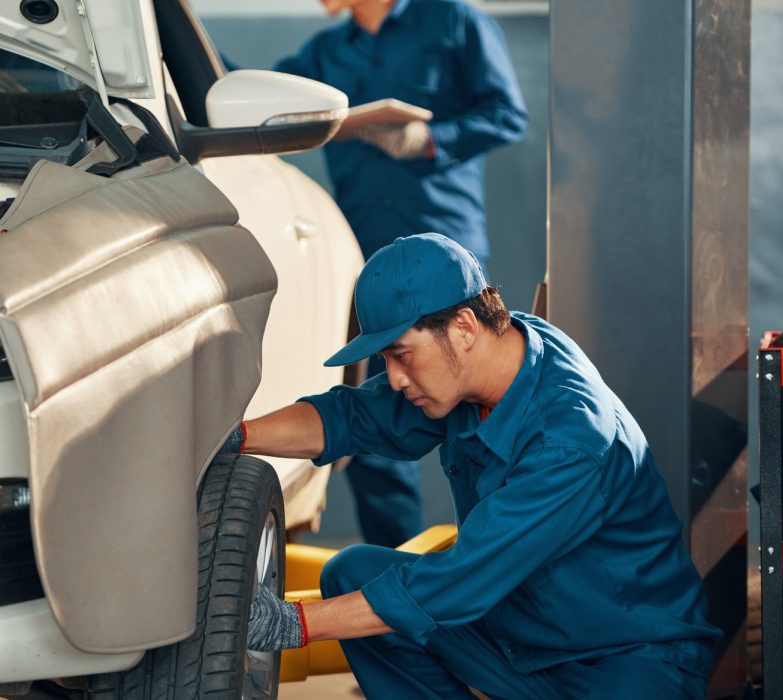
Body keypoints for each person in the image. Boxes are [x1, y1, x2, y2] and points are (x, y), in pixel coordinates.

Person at [222, 233, 721, 699]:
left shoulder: (569, 440)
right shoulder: (493, 357)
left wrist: (295, 623)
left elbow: (461, 581)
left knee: (416, 595)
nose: (394, 379)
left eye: (401, 355)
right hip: (521, 641)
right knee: (352, 574)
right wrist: (234, 437)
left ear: (463, 326)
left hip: (626, 659)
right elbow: (351, 417)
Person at [273, 0, 529, 547]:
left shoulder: (454, 21)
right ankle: (395, 567)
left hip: (444, 257)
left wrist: (431, 140)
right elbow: (233, 86)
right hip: (367, 258)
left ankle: (493, 559)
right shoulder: (324, 53)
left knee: (474, 413)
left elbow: (508, 112)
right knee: (379, 416)